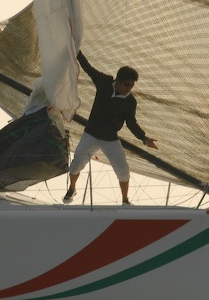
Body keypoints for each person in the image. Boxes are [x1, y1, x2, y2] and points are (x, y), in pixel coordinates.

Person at [64, 52, 158, 205]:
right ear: (118, 81)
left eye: (132, 85)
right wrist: (77, 51)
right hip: (91, 133)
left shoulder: (130, 101)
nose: (129, 88)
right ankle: (72, 188)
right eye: (126, 84)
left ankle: (125, 200)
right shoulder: (104, 82)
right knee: (76, 165)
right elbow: (88, 68)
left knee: (123, 171)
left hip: (110, 138)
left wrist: (144, 138)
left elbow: (131, 123)